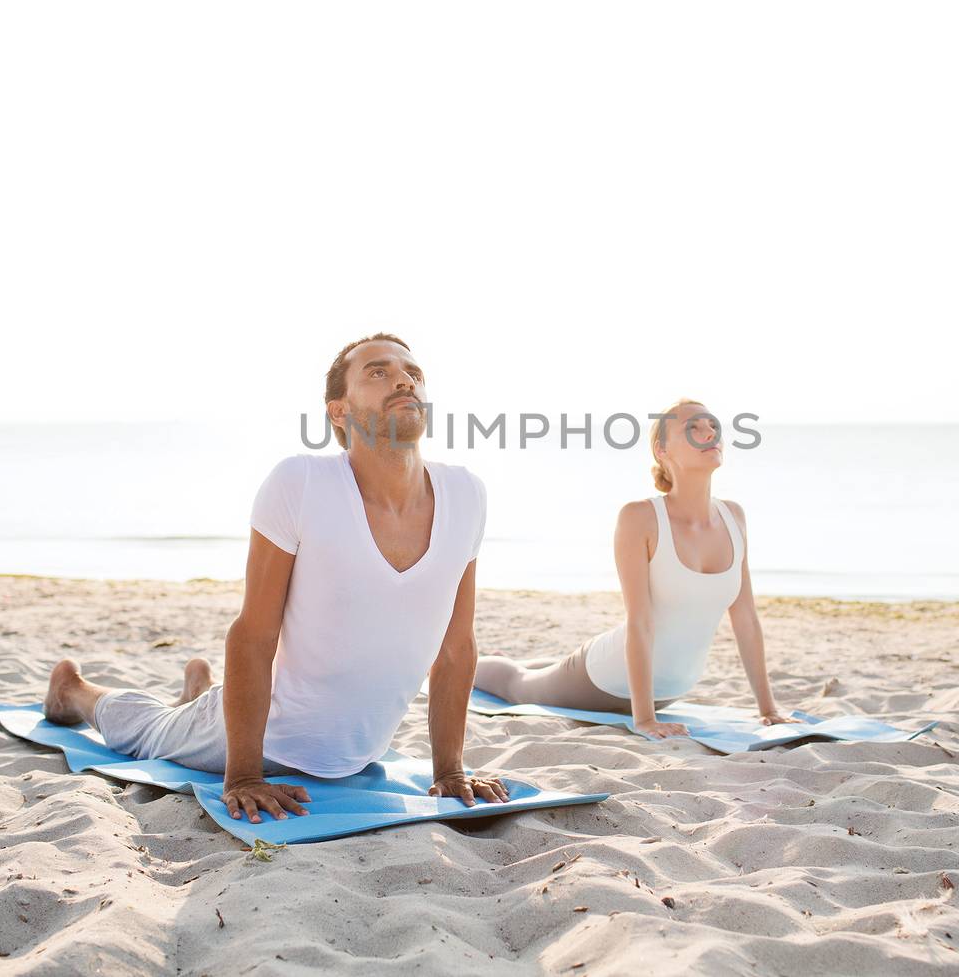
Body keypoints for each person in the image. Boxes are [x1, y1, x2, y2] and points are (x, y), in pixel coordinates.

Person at [42, 333, 509, 822]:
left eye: (413, 374)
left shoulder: (467, 495)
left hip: (354, 757)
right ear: (339, 412)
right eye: (377, 371)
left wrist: (450, 769)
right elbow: (253, 634)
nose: (402, 379)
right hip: (260, 740)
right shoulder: (301, 483)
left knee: (182, 718)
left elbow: (457, 646)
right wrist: (243, 776)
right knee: (151, 734)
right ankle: (73, 690)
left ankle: (197, 697)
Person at [474, 399, 796, 739]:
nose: (709, 433)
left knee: (550, 670)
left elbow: (745, 618)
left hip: (673, 689)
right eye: (693, 428)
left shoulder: (734, 516)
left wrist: (769, 710)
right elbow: (640, 621)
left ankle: (550, 664)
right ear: (662, 450)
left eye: (713, 425)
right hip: (608, 678)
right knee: (519, 683)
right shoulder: (640, 517)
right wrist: (644, 720)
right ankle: (458, 665)